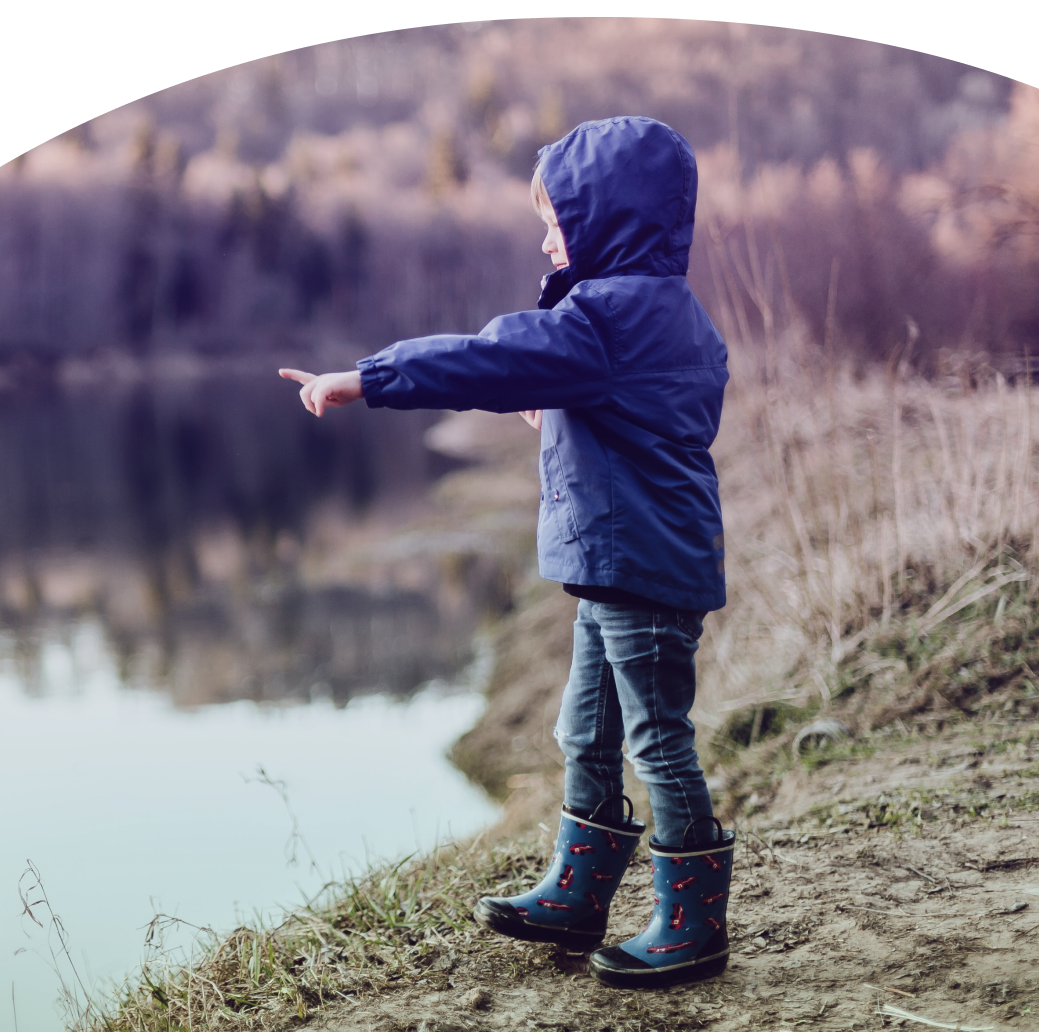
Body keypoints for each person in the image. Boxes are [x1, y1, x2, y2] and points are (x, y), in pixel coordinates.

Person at [278, 116, 735, 989]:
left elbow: (486, 359)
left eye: (557, 222)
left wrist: (363, 379)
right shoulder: (664, 313)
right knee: (584, 729)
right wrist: (560, 405)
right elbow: (634, 406)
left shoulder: (603, 317)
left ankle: (692, 921)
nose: (545, 237)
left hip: (639, 568)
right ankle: (579, 887)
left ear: (607, 222)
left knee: (656, 738)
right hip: (630, 565)